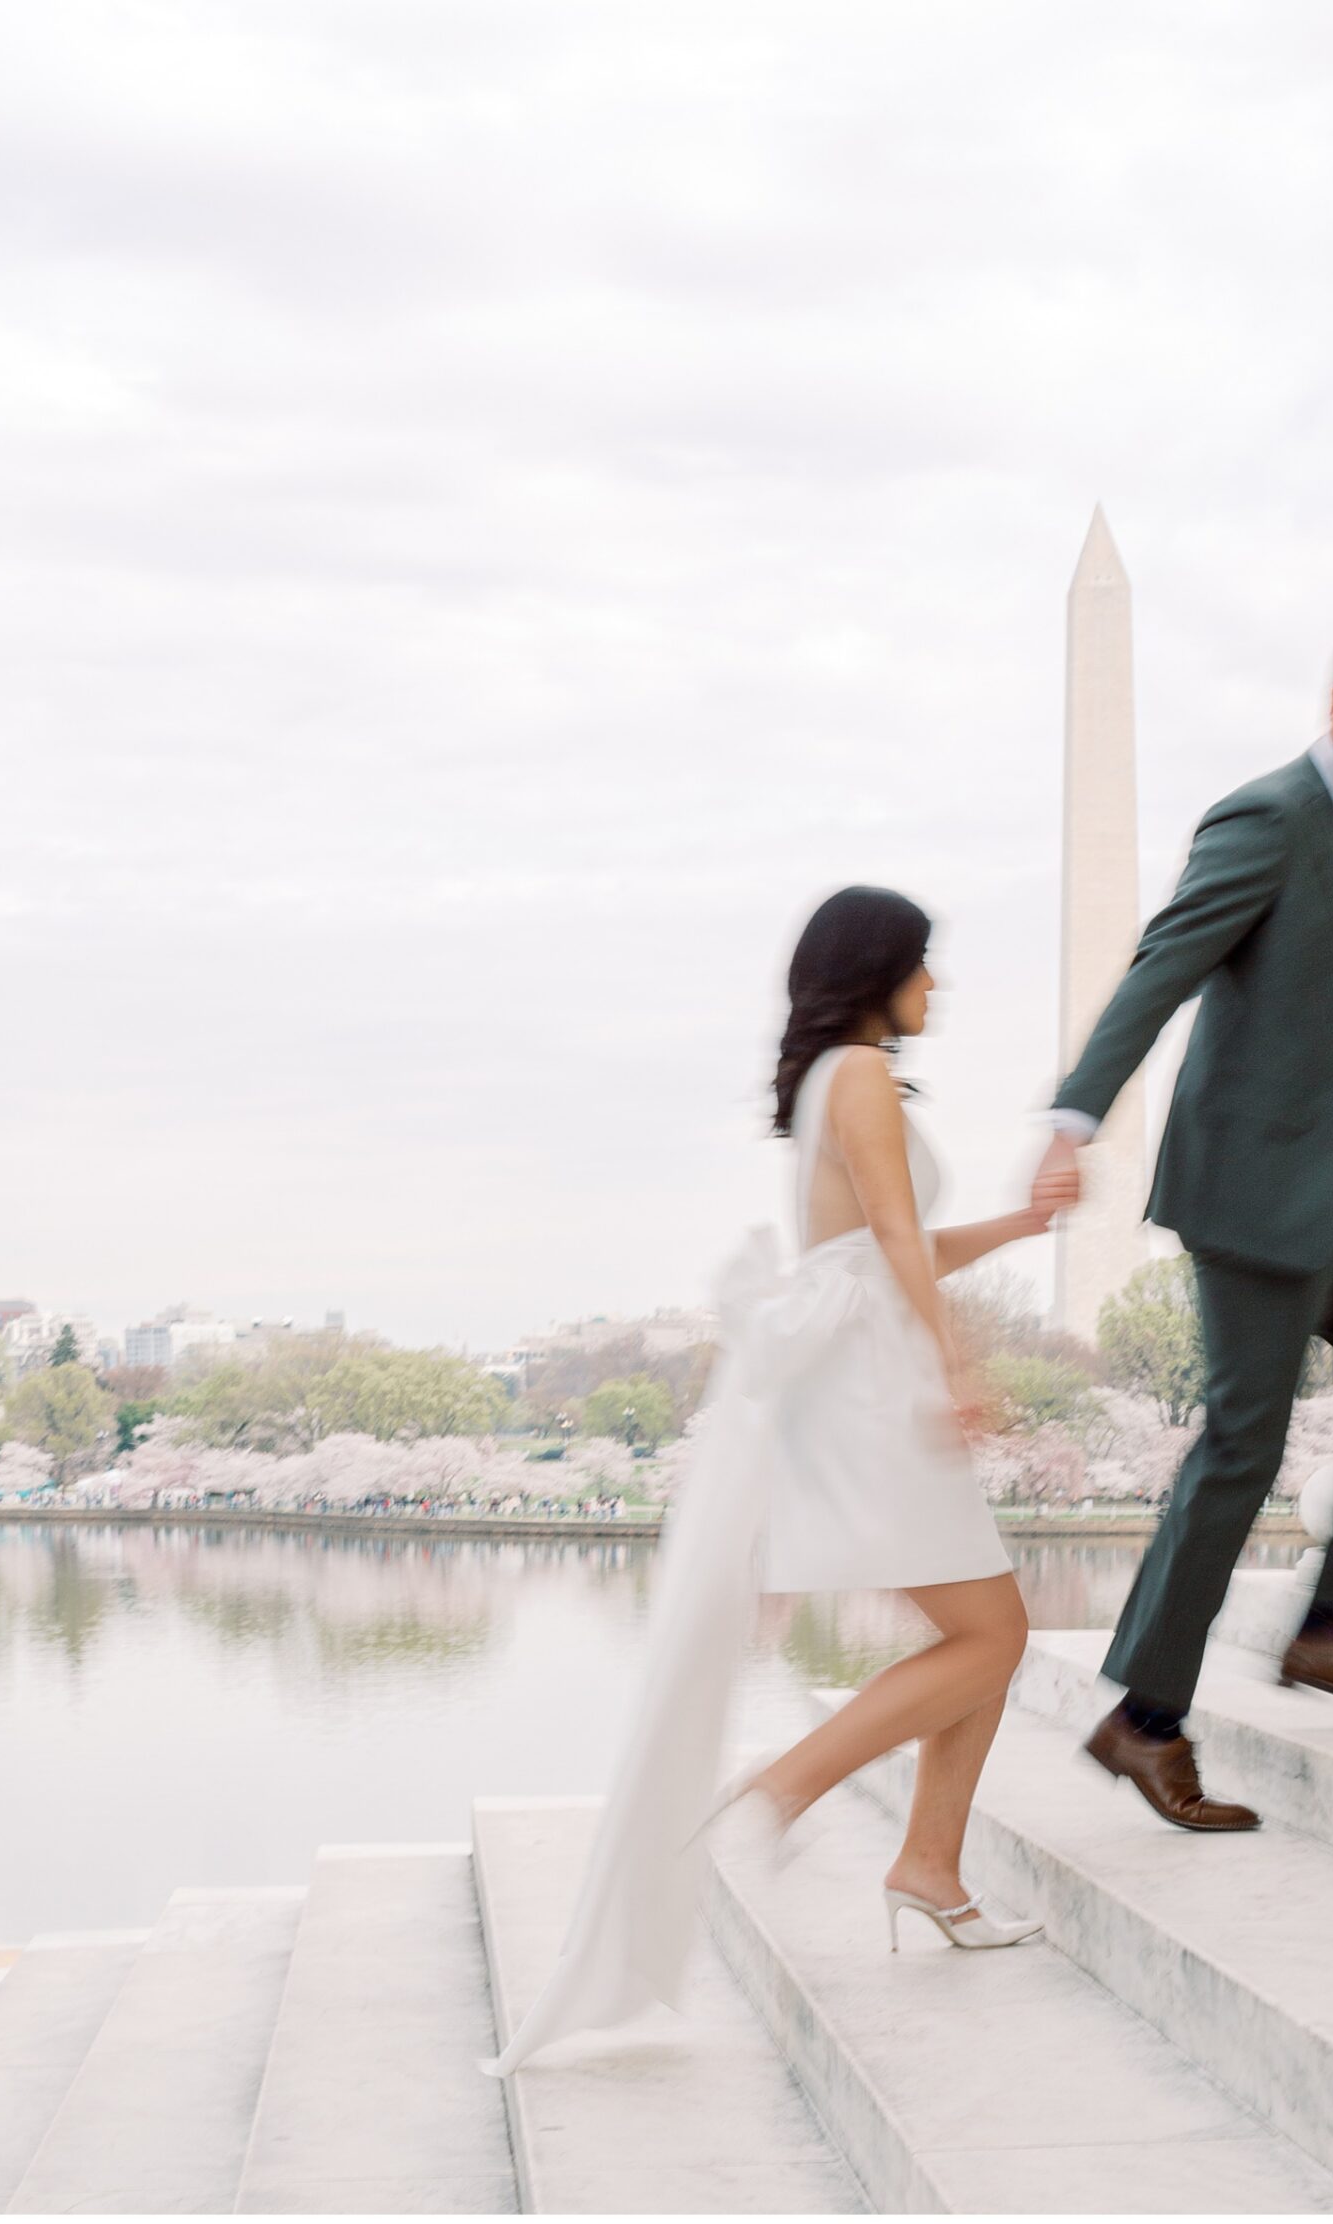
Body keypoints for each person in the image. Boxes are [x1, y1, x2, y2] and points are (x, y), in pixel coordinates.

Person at [483, 885, 1062, 2075]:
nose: (937, 985)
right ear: (879, 970)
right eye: (925, 964)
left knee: (986, 1632)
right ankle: (789, 1782)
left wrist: (1016, 1226)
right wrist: (956, 1366)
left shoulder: (841, 1082)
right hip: (878, 1387)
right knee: (989, 1634)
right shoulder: (853, 1075)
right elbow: (895, 1248)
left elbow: (880, 1238)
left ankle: (927, 1867)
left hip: (864, 1370)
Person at [1031, 620, 1333, 1832]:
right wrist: (1075, 1115)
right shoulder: (1268, 815)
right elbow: (1161, 964)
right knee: (1240, 1443)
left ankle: (1325, 1624)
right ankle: (1144, 1721)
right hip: (1252, 1192)